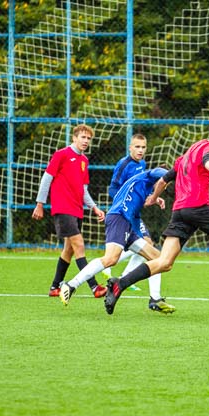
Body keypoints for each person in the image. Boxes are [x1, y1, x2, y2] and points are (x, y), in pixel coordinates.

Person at [103, 121, 209, 317]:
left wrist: (152, 197)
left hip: (180, 211)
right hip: (198, 208)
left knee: (164, 262)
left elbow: (164, 179)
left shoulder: (189, 152)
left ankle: (119, 284)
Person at [59, 167, 175, 314]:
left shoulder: (144, 187)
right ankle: (70, 285)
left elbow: (142, 199)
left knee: (158, 259)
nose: (164, 187)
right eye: (164, 184)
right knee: (110, 259)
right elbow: (160, 176)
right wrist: (169, 179)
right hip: (119, 217)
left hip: (128, 223)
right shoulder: (149, 175)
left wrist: (154, 198)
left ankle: (155, 299)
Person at [32, 124, 107, 298]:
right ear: (74, 138)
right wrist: (40, 203)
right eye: (83, 137)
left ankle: (54, 287)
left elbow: (83, 189)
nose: (86, 141)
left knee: (69, 249)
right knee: (79, 245)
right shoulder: (62, 154)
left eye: (89, 138)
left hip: (77, 209)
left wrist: (94, 207)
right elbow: (47, 178)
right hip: (63, 208)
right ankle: (94, 287)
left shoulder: (84, 161)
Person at [101, 133, 150, 290]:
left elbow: (139, 186)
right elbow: (113, 188)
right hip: (123, 213)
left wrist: (151, 196)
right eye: (137, 146)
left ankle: (123, 276)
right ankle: (113, 269)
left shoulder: (142, 164)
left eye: (143, 147)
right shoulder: (124, 164)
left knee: (144, 244)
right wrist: (123, 205)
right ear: (130, 147)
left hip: (134, 213)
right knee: (145, 243)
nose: (140, 150)